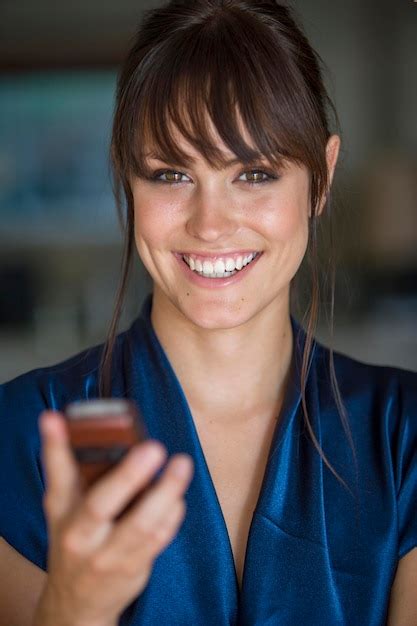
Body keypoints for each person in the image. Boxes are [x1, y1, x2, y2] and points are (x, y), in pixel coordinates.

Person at [0, 1, 416, 624]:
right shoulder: (20, 435)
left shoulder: (404, 435)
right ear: (125, 177)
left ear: (322, 179)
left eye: (254, 173)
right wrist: (71, 609)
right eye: (170, 173)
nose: (210, 225)